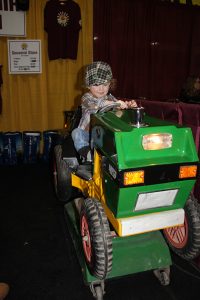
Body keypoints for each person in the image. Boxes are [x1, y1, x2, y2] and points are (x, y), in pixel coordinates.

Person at [72, 61, 137, 161]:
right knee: (76, 133)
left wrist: (129, 106)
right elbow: (97, 104)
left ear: (110, 84)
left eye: (105, 84)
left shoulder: (111, 98)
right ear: (88, 85)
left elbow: (121, 109)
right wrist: (116, 103)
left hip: (104, 132)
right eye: (96, 84)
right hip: (88, 133)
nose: (101, 88)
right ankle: (88, 154)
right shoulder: (86, 98)